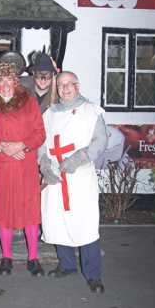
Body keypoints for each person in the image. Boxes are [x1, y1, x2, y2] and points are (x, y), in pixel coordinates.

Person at [39, 71, 108, 293]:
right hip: (55, 177)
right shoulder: (49, 114)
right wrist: (44, 166)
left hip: (79, 176)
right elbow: (41, 143)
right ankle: (67, 264)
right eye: (60, 85)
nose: (65, 88)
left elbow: (100, 141)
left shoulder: (91, 111)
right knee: (58, 219)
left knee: (85, 223)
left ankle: (93, 274)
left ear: (77, 86)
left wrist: (77, 159)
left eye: (69, 84)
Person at [0, 62, 45, 277]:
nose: (6, 85)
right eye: (0, 81)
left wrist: (22, 145)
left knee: (29, 210)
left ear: (16, 80)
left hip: (25, 163)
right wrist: (1, 146)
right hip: (2, 165)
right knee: (4, 211)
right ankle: (6, 257)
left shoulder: (29, 101)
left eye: (9, 79)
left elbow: (40, 133)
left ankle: (33, 257)